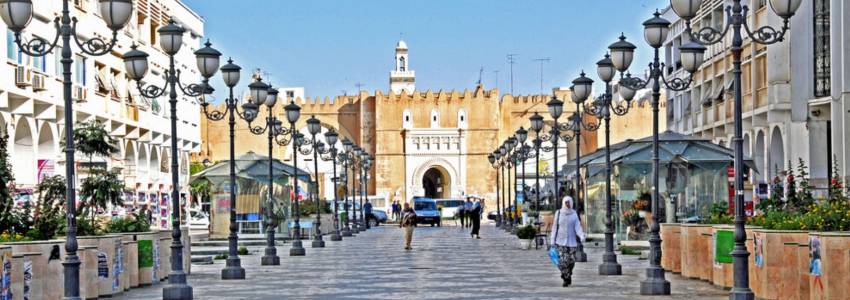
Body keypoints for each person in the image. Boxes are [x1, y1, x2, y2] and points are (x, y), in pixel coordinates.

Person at [550, 196, 585, 287]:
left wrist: (582, 235)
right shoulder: (558, 213)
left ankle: (568, 274)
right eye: (566, 203)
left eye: (569, 202)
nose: (568, 204)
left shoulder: (574, 214)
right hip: (560, 241)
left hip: (571, 242)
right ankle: (565, 279)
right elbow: (554, 228)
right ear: (563, 203)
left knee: (571, 261)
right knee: (562, 260)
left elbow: (577, 226)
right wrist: (552, 240)